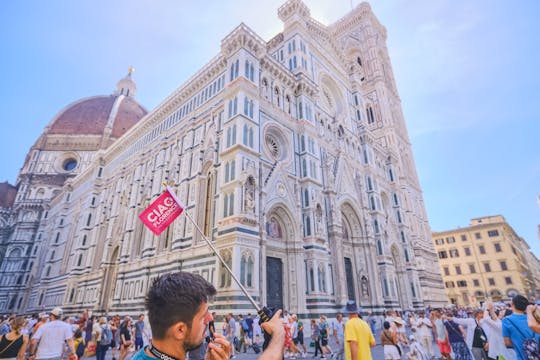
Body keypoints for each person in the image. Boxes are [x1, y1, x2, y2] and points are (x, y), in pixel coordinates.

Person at [131, 271, 285, 360]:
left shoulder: (145, 353)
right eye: (203, 316)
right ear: (180, 330)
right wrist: (278, 334)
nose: (211, 319)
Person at [502, 294, 540, 360]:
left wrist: (519, 344)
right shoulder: (534, 318)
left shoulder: (507, 320)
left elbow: (507, 343)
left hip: (523, 357)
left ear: (512, 304)